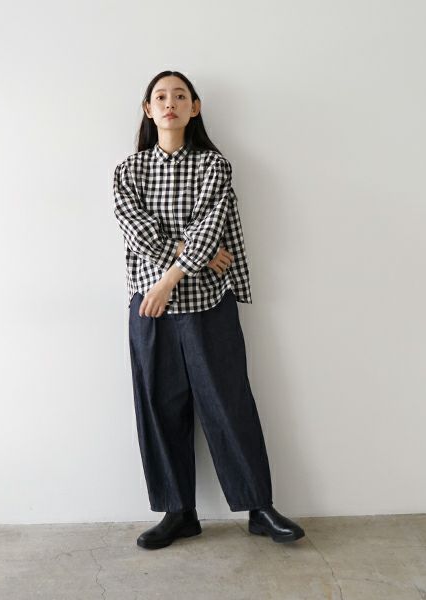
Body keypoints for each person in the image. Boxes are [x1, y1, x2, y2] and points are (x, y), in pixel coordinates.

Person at [113, 70, 305, 550]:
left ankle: (259, 508)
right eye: (161, 96)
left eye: (180, 96)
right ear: (147, 109)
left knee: (228, 402)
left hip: (206, 302)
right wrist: (187, 253)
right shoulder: (128, 171)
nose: (170, 103)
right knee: (159, 407)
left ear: (195, 107)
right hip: (149, 309)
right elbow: (138, 231)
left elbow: (211, 226)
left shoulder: (213, 166)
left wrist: (169, 279)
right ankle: (179, 512)